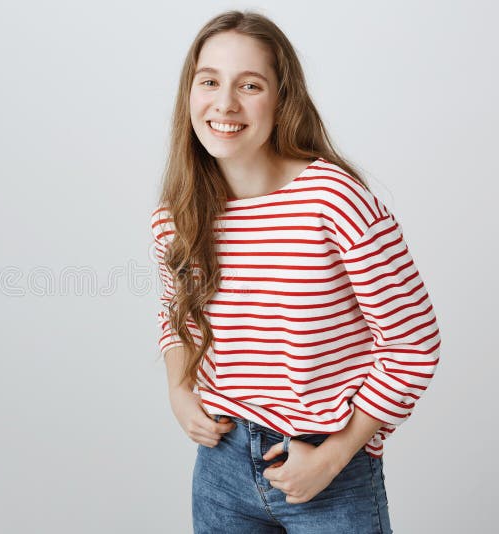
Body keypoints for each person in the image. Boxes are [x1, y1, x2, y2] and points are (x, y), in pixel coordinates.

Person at [149, 9, 441, 534]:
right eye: (209, 81)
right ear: (189, 94)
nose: (225, 103)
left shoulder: (335, 201)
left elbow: (413, 342)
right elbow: (177, 316)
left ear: (282, 98)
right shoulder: (179, 214)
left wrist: (333, 457)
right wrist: (178, 390)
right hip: (220, 469)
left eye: (250, 85)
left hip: (327, 468)